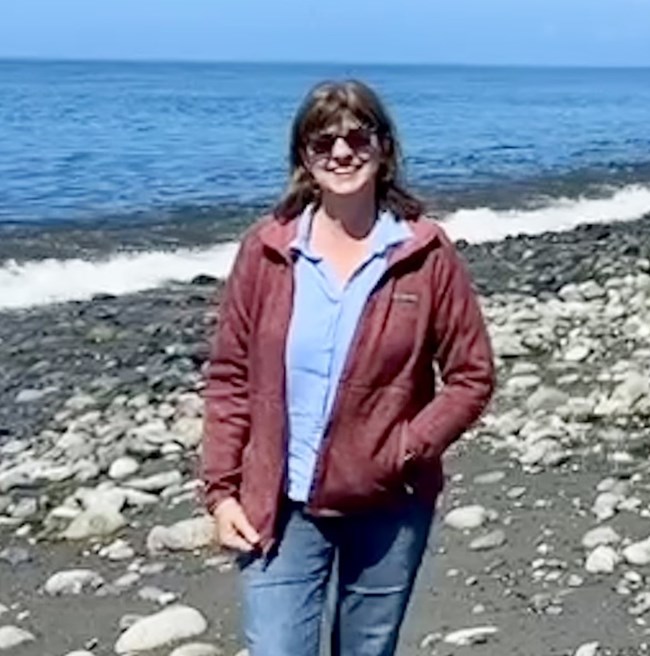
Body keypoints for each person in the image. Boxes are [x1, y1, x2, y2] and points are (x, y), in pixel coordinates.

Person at [200, 79, 495, 656]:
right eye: (322, 142)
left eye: (357, 136)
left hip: (389, 503)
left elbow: (471, 374)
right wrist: (221, 493)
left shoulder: (424, 254)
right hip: (280, 502)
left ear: (383, 147)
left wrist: (406, 447)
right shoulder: (267, 250)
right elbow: (230, 378)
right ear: (303, 159)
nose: (341, 152)